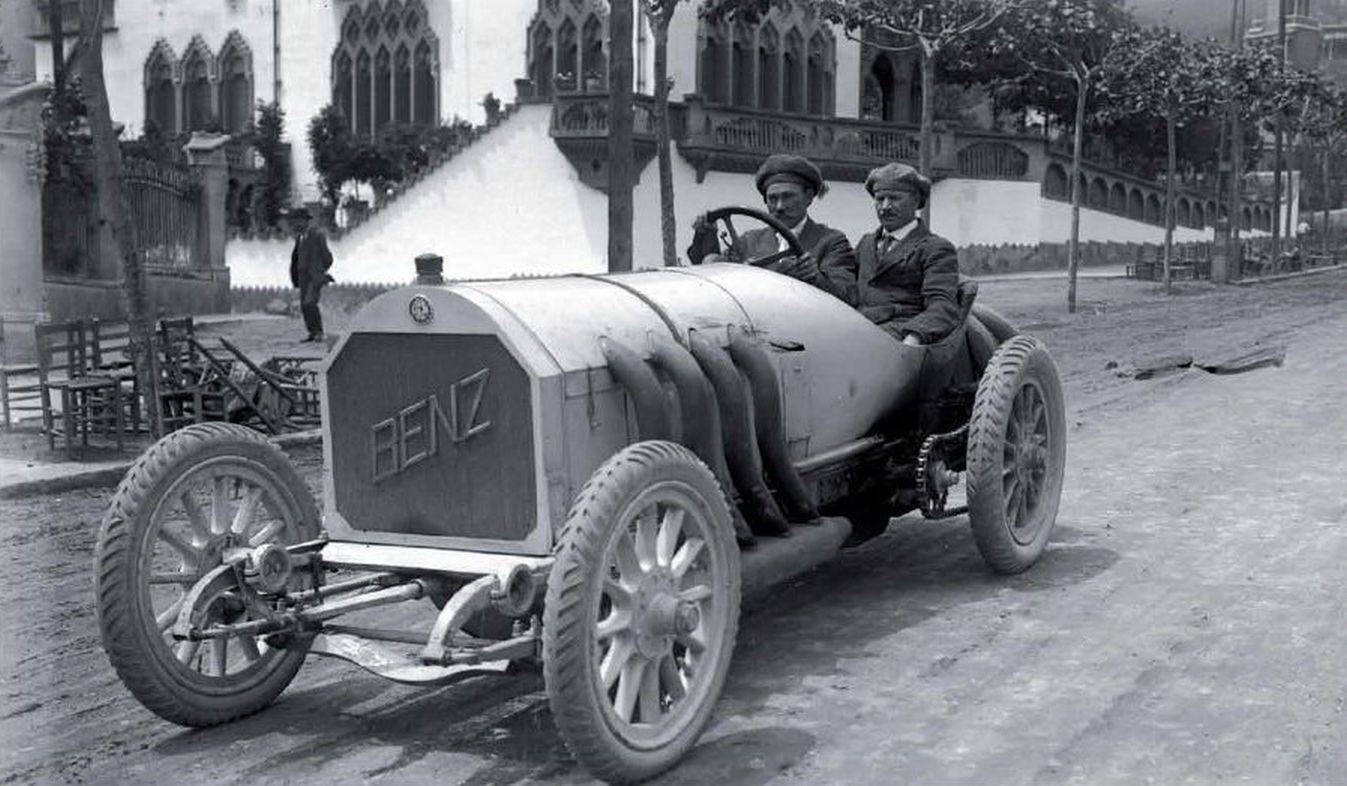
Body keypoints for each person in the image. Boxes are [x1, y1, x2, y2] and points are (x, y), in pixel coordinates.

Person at [687, 154, 857, 304]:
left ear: (808, 197)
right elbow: (711, 276)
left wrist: (816, 277)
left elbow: (848, 296)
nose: (780, 206)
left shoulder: (831, 242)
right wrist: (706, 233)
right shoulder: (749, 241)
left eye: (788, 196)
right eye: (772, 198)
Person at [854, 163, 960, 347]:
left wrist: (915, 337)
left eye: (894, 198)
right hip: (856, 325)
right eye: (880, 199)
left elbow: (942, 306)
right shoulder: (866, 243)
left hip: (900, 335)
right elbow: (844, 287)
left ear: (916, 201)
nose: (885, 207)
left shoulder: (936, 248)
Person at [288, 207, 334, 343]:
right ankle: (312, 332)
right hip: (303, 278)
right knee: (304, 305)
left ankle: (319, 332)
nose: (296, 224)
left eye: (298, 221)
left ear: (305, 221)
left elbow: (328, 258)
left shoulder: (317, 235)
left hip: (314, 277)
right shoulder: (300, 238)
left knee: (310, 302)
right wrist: (295, 277)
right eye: (294, 221)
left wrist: (319, 271)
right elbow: (295, 259)